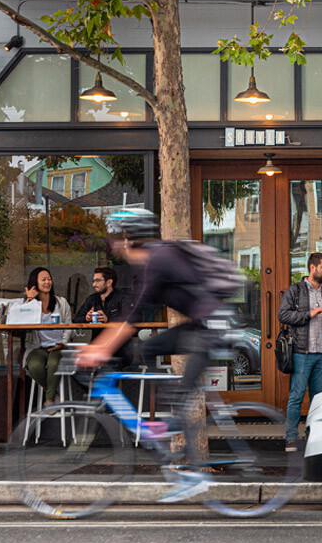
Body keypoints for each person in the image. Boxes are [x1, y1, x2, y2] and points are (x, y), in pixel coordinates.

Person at [76, 208, 230, 502]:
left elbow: (132, 317)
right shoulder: (150, 264)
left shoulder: (159, 260)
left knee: (181, 394)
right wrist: (101, 347)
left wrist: (99, 350)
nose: (114, 246)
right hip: (200, 325)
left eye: (117, 239)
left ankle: (193, 474)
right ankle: (167, 417)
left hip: (215, 327)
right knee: (148, 348)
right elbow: (134, 318)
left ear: (128, 239)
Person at [278, 252, 322, 452]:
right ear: (312, 268)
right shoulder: (295, 291)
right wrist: (309, 314)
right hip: (301, 352)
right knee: (296, 395)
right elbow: (283, 315)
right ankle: (291, 437)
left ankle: (314, 435)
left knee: (319, 398)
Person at [22, 267, 73, 404]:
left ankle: (49, 400)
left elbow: (69, 326)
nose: (48, 282)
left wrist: (63, 341)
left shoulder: (61, 303)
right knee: (34, 365)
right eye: (43, 279)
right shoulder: (30, 304)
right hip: (38, 348)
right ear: (35, 282)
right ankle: (53, 393)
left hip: (59, 346)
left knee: (53, 363)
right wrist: (30, 300)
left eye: (49, 279)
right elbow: (22, 322)